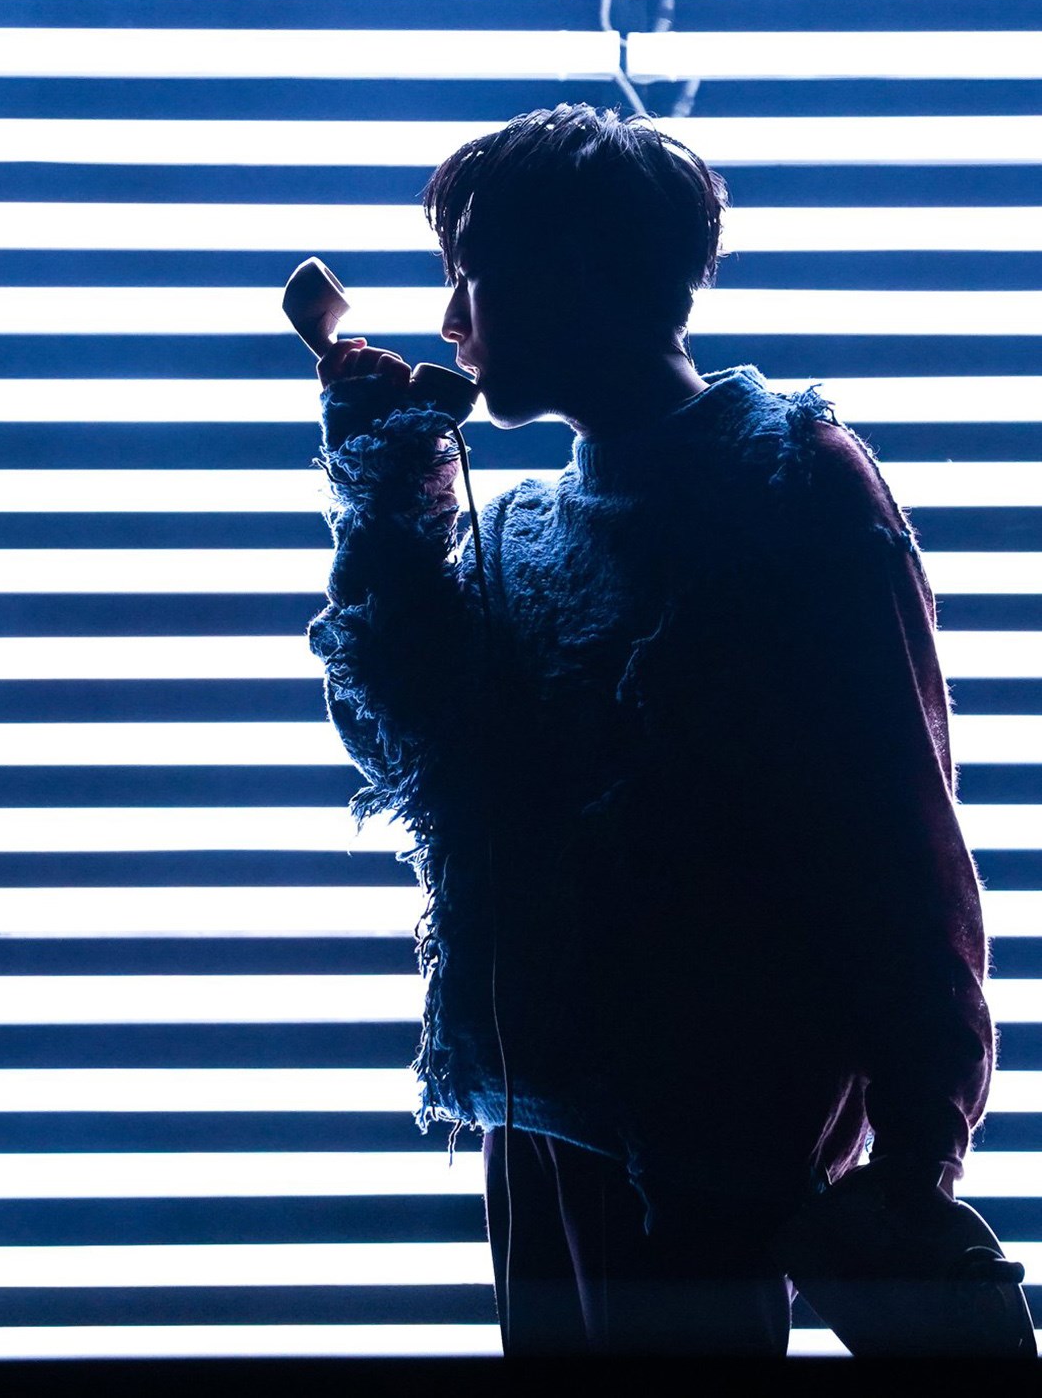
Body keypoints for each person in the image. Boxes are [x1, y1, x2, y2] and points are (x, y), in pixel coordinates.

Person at [307, 102, 994, 1356]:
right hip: (533, 1112)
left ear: (568, 269)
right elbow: (405, 749)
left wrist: (917, 1148)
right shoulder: (519, 532)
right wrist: (387, 493)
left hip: (714, 1138)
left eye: (472, 272)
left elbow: (897, 820)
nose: (452, 318)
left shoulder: (790, 477)